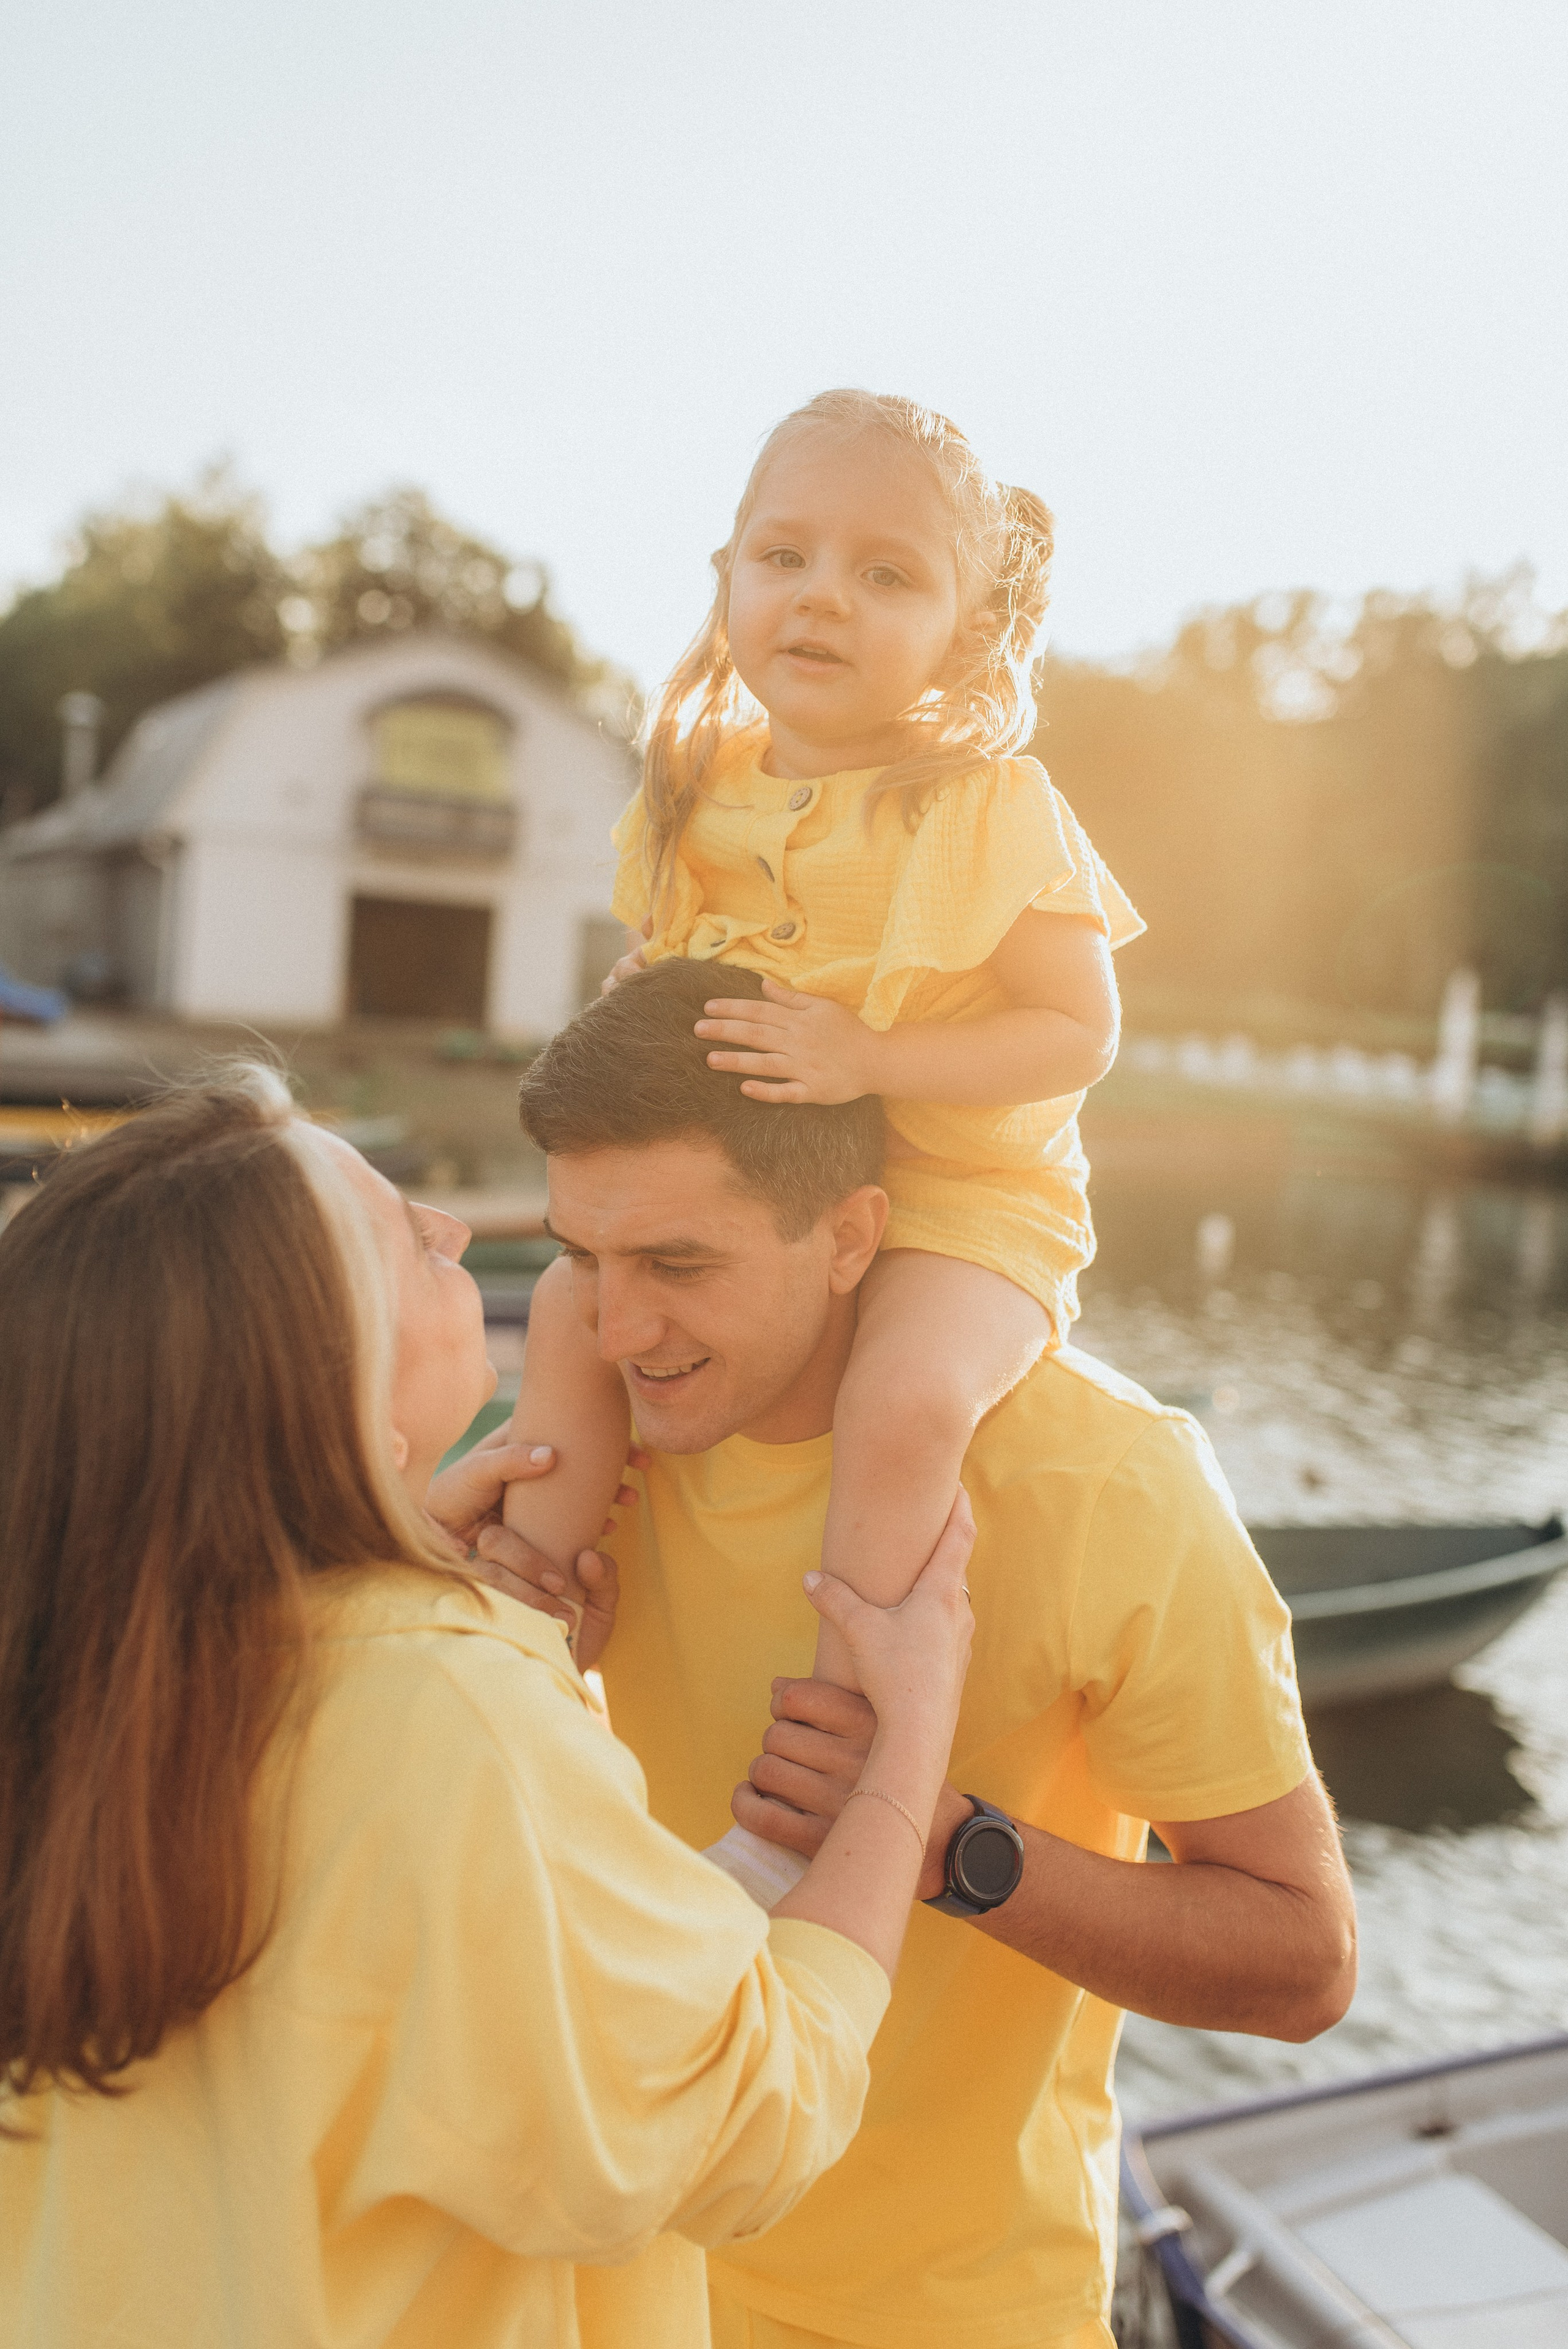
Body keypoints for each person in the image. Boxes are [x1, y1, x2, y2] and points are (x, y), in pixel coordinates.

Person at [0, 1065, 976, 2349]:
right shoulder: (438, 1714)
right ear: (330, 1389)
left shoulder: (72, 1670)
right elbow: (746, 2114)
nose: (457, 1231)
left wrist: (419, 1582)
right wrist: (900, 1760)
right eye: (411, 1242)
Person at [499, 959, 1359, 2349]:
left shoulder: (1105, 1480)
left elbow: (1303, 1959)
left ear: (850, 1235)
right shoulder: (586, 1443)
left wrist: (946, 1844)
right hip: (600, 2284)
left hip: (945, 2318)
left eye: (676, 1264)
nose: (616, 1329)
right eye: (580, 1257)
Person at [502, 393, 1144, 1870]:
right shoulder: (698, 791)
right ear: (725, 574)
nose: (822, 598)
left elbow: (1076, 1027)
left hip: (961, 1199)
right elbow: (676, 986)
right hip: (767, 1203)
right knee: (563, 1309)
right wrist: (644, 993)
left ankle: (817, 1779)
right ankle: (511, 1631)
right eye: (784, 556)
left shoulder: (991, 809)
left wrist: (872, 1053)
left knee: (906, 1403)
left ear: (966, 629)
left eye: (887, 575)